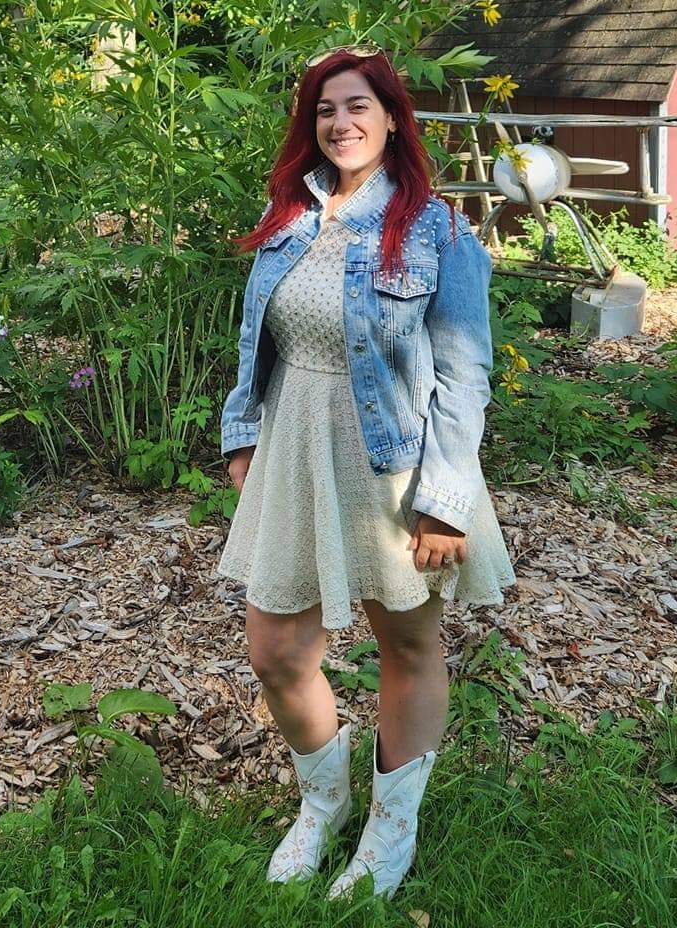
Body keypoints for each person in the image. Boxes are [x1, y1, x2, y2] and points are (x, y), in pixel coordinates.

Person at [216, 44, 516, 901]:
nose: (340, 123)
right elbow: (259, 339)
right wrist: (243, 434)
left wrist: (444, 501)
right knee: (276, 650)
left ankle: (391, 828)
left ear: (390, 118)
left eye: (357, 106)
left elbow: (464, 373)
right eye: (324, 109)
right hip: (294, 449)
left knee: (406, 645)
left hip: (396, 465)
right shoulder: (287, 215)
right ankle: (324, 803)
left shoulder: (438, 230)